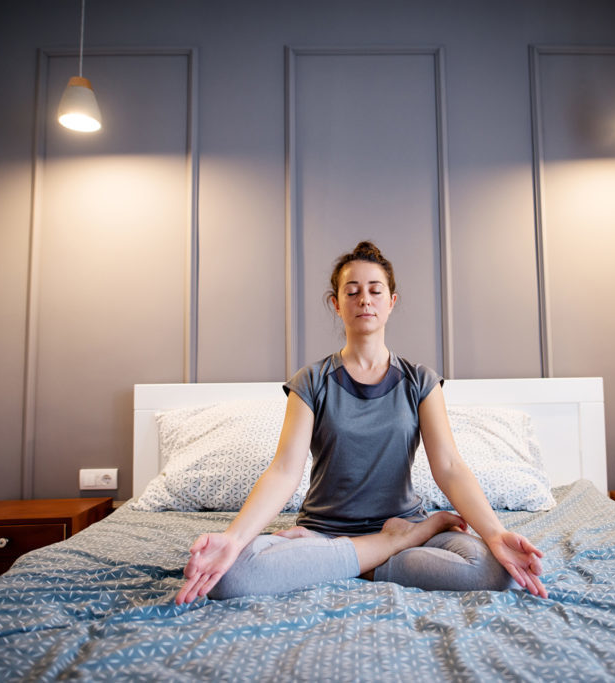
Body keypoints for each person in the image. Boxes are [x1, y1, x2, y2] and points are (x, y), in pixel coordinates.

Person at [175, 241, 547, 605]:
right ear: (336, 304)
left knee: (493, 572)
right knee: (229, 576)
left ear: (391, 302)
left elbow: (449, 466)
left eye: (375, 290)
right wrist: (234, 539)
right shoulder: (312, 380)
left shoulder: (420, 380)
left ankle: (358, 557)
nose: (364, 299)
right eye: (352, 292)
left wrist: (496, 534)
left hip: (404, 524)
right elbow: (284, 472)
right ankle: (388, 547)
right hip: (324, 533)